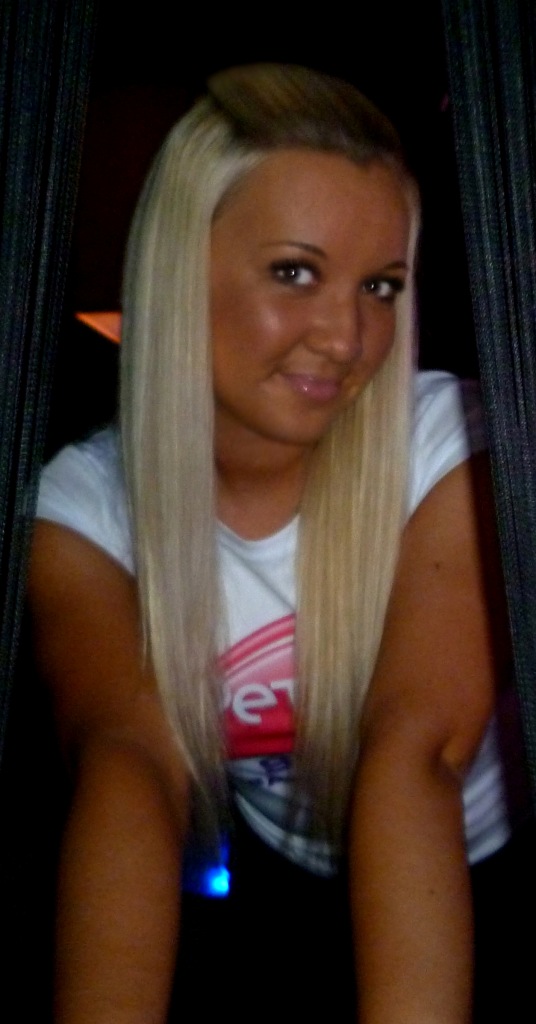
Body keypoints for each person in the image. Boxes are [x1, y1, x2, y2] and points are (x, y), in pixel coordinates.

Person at [27, 62, 520, 1023]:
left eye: (381, 285)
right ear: (179, 271)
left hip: (488, 861)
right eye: (296, 272)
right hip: (291, 881)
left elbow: (415, 750)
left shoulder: (452, 443)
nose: (347, 336)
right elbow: (130, 766)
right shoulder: (84, 509)